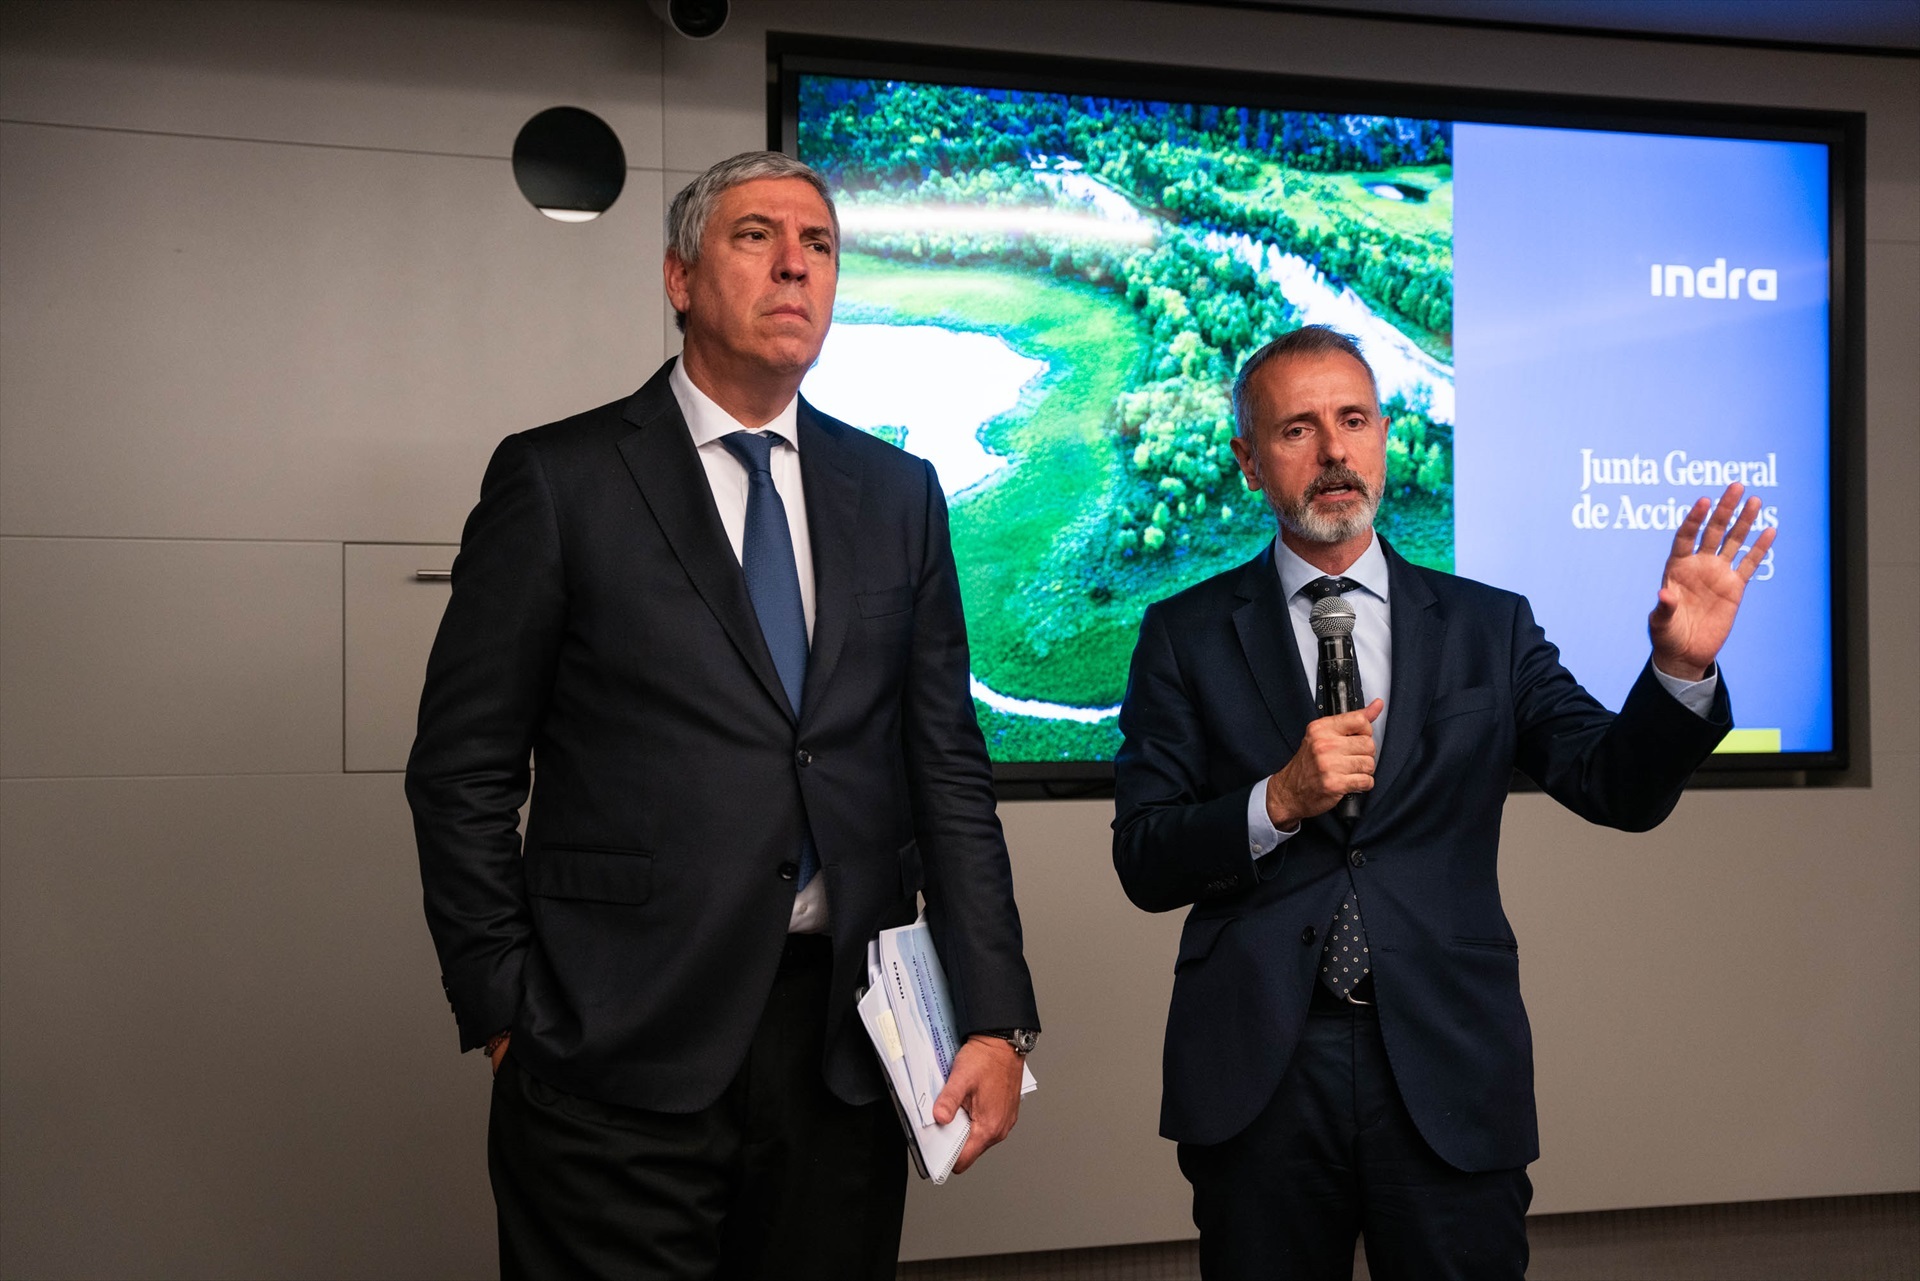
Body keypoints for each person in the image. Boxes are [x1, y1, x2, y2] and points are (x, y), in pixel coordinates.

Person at [406, 151, 1040, 1281]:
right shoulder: (559, 480)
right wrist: (506, 1008)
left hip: (844, 1048)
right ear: (679, 277)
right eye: (757, 236)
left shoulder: (898, 495)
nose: (796, 264)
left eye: (819, 245)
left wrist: (994, 1016)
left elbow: (947, 765)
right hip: (611, 1043)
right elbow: (461, 770)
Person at [1111, 325, 1773, 1280]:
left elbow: (1616, 787)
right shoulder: (1184, 634)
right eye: (1298, 430)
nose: (1333, 451)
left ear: (1384, 436)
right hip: (1260, 1076)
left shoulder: (1487, 626)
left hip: (1448, 1065)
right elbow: (1143, 856)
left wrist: (1679, 669)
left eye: (1353, 420)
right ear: (1249, 462)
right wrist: (1277, 800)